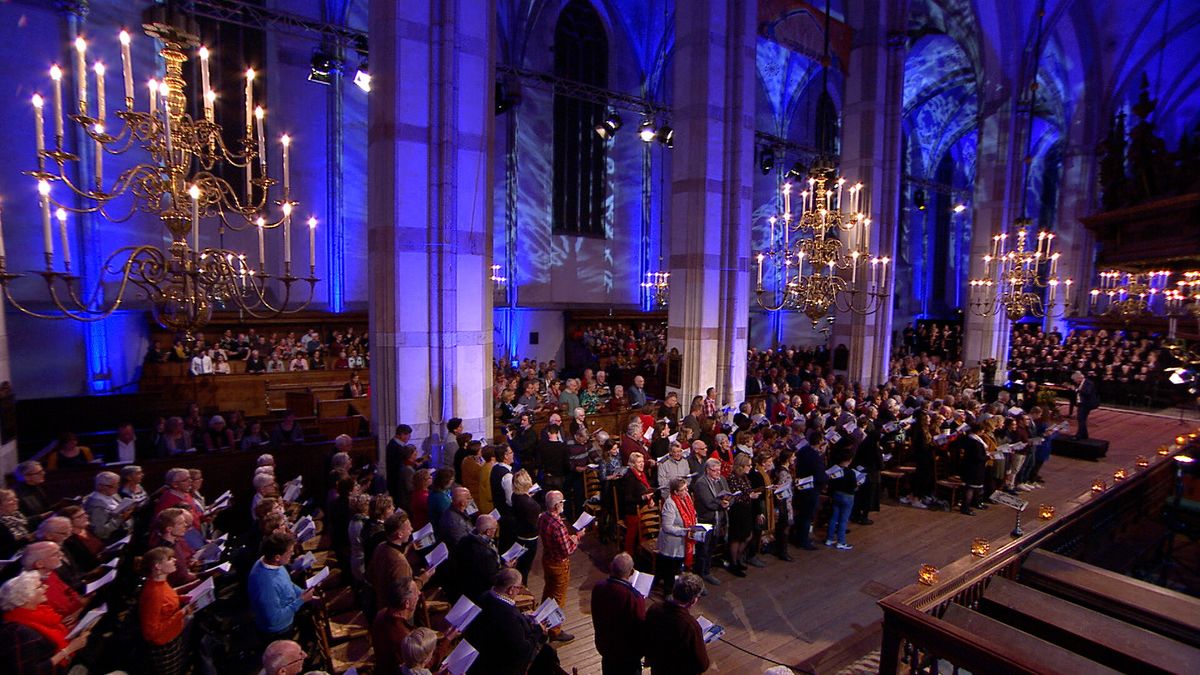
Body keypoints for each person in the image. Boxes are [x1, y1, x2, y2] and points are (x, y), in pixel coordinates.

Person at [466, 567, 549, 675]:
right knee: (547, 654)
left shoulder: (484, 596)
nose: (519, 591)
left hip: (481, 654)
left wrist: (523, 617)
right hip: (501, 665)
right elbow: (522, 650)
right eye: (519, 587)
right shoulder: (509, 616)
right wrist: (538, 630)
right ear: (510, 589)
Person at [0, 570, 85, 673]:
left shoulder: (40, 610)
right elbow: (29, 672)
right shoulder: (18, 631)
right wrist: (68, 650)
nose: (46, 587)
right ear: (26, 598)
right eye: (39, 587)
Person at [248, 531, 316, 640]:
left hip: (290, 610)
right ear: (277, 557)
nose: (292, 554)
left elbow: (287, 583)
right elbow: (274, 619)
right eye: (289, 552)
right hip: (279, 630)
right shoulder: (266, 584)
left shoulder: (272, 563)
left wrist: (302, 592)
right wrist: (301, 600)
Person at [590, 552, 646, 675]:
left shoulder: (598, 588)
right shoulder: (634, 598)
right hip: (628, 656)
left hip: (606, 648)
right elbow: (641, 629)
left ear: (611, 566)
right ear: (631, 573)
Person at [643, 573, 710, 675]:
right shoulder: (690, 626)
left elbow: (646, 638)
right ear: (693, 600)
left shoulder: (654, 609)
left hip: (658, 669)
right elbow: (702, 664)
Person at [139, 546, 192, 675]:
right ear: (157, 566)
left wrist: (181, 598)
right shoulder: (153, 594)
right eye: (169, 559)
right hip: (165, 646)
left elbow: (167, 600)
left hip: (173, 636)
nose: (174, 560)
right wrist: (182, 613)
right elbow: (151, 632)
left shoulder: (161, 582)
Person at [538, 490, 580, 643]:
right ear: (556, 505)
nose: (563, 505)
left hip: (547, 560)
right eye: (562, 502)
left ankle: (541, 622)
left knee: (548, 592)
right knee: (558, 598)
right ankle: (554, 631)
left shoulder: (543, 517)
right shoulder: (558, 525)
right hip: (559, 564)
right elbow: (567, 550)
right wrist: (576, 538)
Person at [691, 458, 731, 585]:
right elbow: (708, 503)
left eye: (719, 470)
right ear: (707, 470)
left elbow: (730, 495)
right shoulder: (701, 483)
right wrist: (721, 504)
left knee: (711, 548)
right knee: (702, 550)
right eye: (715, 471)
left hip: (719, 519)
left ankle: (706, 572)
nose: (718, 473)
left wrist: (728, 502)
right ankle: (698, 578)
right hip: (704, 520)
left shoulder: (722, 480)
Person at [509, 469, 542, 583]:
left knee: (521, 565)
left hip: (519, 534)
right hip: (529, 538)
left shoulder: (515, 496)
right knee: (525, 567)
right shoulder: (532, 505)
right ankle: (523, 587)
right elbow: (534, 525)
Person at [620, 452, 656, 555]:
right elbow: (628, 499)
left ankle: (645, 552)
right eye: (638, 462)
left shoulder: (642, 474)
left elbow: (647, 489)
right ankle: (628, 555)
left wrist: (651, 499)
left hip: (644, 507)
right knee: (632, 534)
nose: (642, 464)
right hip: (632, 510)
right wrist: (643, 498)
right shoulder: (629, 477)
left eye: (642, 462)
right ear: (632, 464)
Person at [825, 445, 858, 550]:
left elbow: (831, 484)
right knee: (843, 520)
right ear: (850, 460)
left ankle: (829, 539)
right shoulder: (851, 473)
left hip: (836, 495)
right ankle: (841, 541)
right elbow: (854, 486)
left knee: (833, 517)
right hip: (847, 497)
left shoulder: (834, 470)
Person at [13, 461, 51, 526]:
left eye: (42, 471)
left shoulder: (36, 487)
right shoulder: (17, 494)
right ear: (27, 477)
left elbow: (45, 509)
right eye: (39, 472)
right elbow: (19, 520)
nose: (43, 473)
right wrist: (41, 516)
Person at [1072, 370, 1099, 440]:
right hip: (1082, 403)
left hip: (1087, 404)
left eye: (1075, 380)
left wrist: (1076, 390)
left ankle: (1079, 435)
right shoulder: (1080, 383)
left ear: (1079, 378)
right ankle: (1084, 435)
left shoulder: (1088, 383)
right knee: (1082, 419)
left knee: (1081, 418)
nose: (1075, 382)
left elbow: (1087, 392)